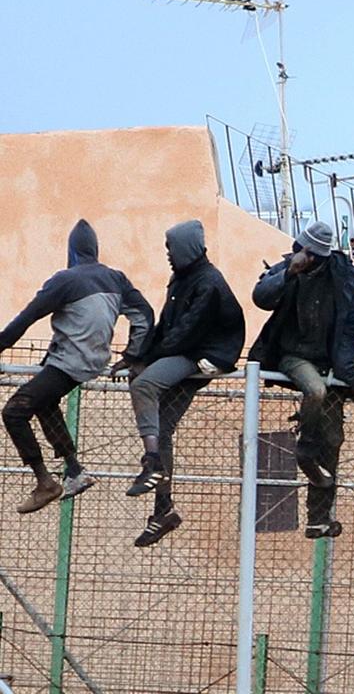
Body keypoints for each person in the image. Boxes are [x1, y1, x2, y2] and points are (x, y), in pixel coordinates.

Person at [0, 220, 153, 514]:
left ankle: (45, 482)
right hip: (95, 360)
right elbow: (144, 315)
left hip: (69, 364)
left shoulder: (65, 280)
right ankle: (74, 471)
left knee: (15, 411)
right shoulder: (116, 278)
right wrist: (133, 354)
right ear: (95, 250)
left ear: (71, 252)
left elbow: (24, 319)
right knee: (45, 404)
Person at [122, 220, 245, 547]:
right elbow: (166, 326)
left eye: (170, 248)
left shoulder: (209, 282)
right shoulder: (182, 278)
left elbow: (186, 333)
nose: (167, 254)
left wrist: (147, 362)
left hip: (205, 354)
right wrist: (136, 355)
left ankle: (152, 463)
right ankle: (164, 510)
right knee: (161, 426)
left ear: (185, 248)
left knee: (144, 385)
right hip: (187, 349)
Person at [247, 221, 354, 539]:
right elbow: (261, 296)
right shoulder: (287, 268)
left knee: (333, 439)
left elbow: (352, 325)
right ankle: (305, 449)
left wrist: (346, 371)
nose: (298, 255)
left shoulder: (344, 279)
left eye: (304, 252)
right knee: (315, 390)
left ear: (315, 255)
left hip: (329, 363)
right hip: (292, 356)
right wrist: (289, 273)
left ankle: (319, 518)